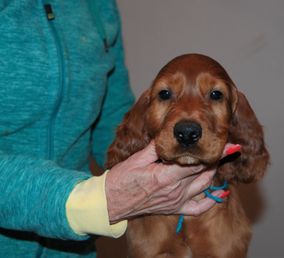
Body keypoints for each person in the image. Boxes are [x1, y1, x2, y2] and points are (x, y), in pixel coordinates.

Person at [0, 1, 232, 257]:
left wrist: (165, 175)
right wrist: (96, 201)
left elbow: (111, 114)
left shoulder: (99, 6)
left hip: (74, 249)